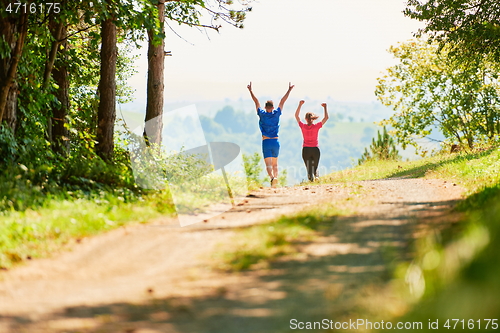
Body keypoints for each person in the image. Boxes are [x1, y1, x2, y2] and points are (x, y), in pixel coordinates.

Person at [247, 82, 294, 187]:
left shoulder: (262, 114)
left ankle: (272, 178)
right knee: (275, 164)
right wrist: (289, 90)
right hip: (275, 141)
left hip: (266, 141)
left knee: (268, 164)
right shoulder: (277, 113)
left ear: (265, 107)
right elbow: (282, 101)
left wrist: (250, 91)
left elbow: (256, 102)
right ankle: (276, 177)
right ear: (273, 107)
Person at [295, 100, 329, 182]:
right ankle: (317, 176)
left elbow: (296, 116)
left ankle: (311, 182)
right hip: (315, 149)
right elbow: (326, 118)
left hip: (306, 149)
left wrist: (299, 105)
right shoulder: (316, 126)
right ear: (313, 119)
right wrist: (325, 108)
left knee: (309, 169)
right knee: (315, 167)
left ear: (306, 119)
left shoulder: (303, 126)